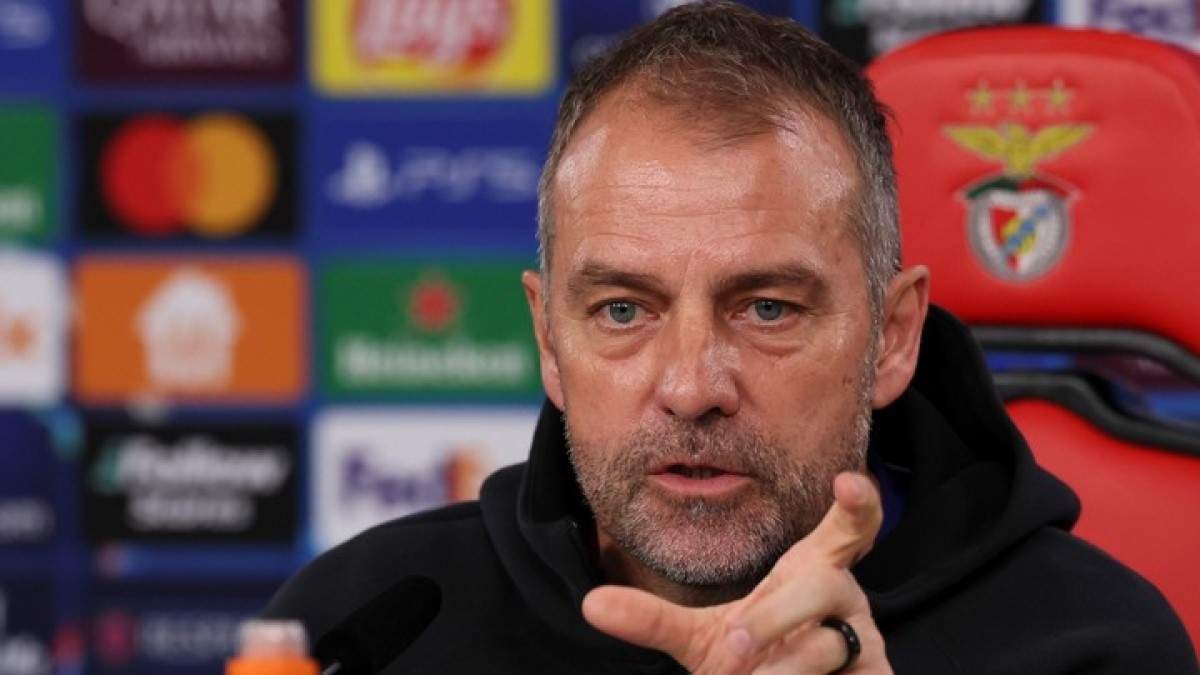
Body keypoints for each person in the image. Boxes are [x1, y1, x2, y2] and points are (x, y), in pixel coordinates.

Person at [265, 3, 1197, 673]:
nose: (691, 385)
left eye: (767, 308)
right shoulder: (364, 625)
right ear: (549, 341)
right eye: (623, 310)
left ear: (893, 337)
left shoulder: (1096, 646)